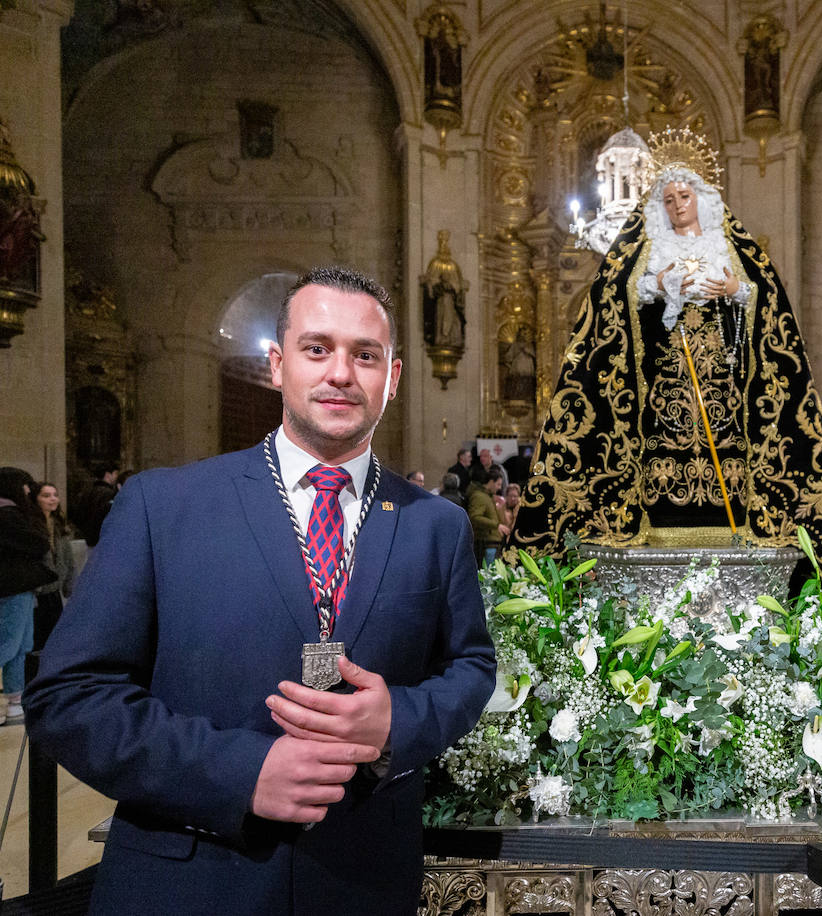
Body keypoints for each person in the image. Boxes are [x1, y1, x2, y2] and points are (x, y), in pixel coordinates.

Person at [24, 266, 496, 914]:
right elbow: (69, 695)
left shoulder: (436, 525)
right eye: (316, 348)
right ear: (277, 365)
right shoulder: (164, 507)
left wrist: (398, 721)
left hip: (361, 881)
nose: (340, 373)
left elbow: (470, 667)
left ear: (393, 376)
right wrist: (241, 774)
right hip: (191, 881)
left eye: (365, 355)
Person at [510, 139, 822, 565]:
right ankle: (658, 526)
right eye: (669, 199)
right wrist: (656, 286)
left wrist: (736, 290)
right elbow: (612, 294)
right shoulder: (648, 250)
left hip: (723, 383)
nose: (678, 205)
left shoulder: (730, 247)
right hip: (665, 383)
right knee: (662, 445)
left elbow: (766, 298)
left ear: (701, 198)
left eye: (685, 196)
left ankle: (736, 526)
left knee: (728, 449)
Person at [1, 466, 55, 725]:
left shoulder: (10, 513)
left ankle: (14, 698)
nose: (28, 491)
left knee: (22, 645)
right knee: (9, 644)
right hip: (11, 586)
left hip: (19, 586)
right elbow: (38, 542)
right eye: (25, 486)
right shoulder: (7, 514)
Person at [31, 480, 76, 650]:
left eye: (55, 495)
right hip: (39, 592)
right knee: (37, 639)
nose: (53, 499)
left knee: (54, 638)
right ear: (36, 499)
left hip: (54, 591)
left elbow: (68, 559)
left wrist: (69, 585)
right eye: (46, 495)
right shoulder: (33, 526)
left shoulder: (59, 526)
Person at [465, 466, 505, 566]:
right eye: (498, 484)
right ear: (491, 482)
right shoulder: (479, 496)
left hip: (491, 542)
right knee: (488, 576)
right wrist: (496, 525)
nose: (499, 488)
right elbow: (474, 517)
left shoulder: (487, 496)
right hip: (487, 543)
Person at [75, 461, 119, 546]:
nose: (116, 477)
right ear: (108, 475)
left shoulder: (86, 492)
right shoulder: (110, 494)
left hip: (88, 539)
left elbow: (79, 515)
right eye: (115, 473)